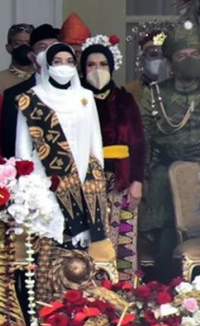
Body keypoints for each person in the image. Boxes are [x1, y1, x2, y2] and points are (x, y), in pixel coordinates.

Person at [15, 43, 109, 260]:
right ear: (47, 65)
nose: (63, 67)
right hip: (45, 177)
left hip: (85, 175)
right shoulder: (31, 98)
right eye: (57, 62)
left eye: (69, 62)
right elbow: (22, 145)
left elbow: (95, 138)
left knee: (79, 251)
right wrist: (25, 183)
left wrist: (98, 175)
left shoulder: (85, 96)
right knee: (49, 241)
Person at [80, 36, 146, 273]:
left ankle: (126, 293)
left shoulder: (125, 100)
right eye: (91, 65)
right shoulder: (77, 100)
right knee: (91, 243)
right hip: (87, 182)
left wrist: (137, 179)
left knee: (123, 239)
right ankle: (90, 297)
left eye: (102, 64)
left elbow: (138, 142)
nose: (97, 70)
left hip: (123, 178)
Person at [140, 24, 200, 274]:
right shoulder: (153, 95)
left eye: (195, 55)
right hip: (162, 177)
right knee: (164, 246)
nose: (189, 60)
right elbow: (144, 140)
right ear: (171, 62)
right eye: (181, 55)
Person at [0, 23, 61, 157]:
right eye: (43, 47)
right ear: (31, 55)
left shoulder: (77, 92)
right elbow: (9, 141)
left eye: (53, 46)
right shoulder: (15, 94)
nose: (49, 52)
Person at [126, 30, 171, 105]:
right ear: (143, 58)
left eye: (164, 55)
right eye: (153, 55)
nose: (159, 60)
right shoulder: (129, 91)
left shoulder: (181, 91)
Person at [0, 23, 35, 95]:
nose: (24, 47)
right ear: (8, 48)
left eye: (28, 43)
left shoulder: (45, 79)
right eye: (18, 43)